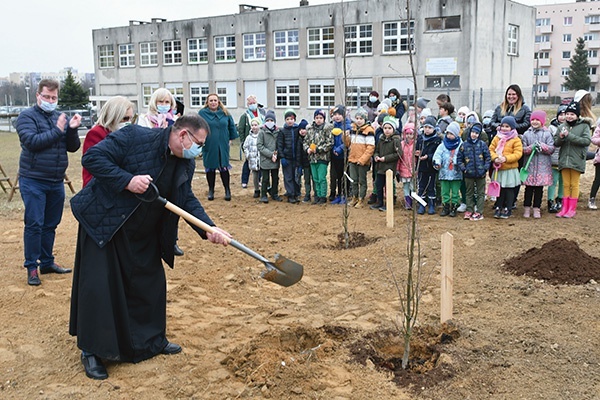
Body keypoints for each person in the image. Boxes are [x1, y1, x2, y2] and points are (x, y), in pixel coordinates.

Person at [69, 115, 231, 380]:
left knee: (148, 284)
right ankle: (93, 351)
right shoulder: (134, 136)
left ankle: (151, 341)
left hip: (144, 231)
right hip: (106, 223)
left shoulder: (185, 163)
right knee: (101, 289)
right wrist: (127, 180)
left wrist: (208, 228)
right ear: (183, 136)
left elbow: (185, 199)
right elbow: (92, 159)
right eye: (198, 143)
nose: (198, 150)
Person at [15, 79, 81, 286]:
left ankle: (47, 262)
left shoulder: (59, 117)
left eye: (54, 97)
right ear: (38, 95)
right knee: (34, 223)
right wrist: (57, 131)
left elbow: (72, 147)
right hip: (33, 179)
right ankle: (31, 267)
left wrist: (71, 130)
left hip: (55, 181)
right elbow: (32, 142)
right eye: (47, 97)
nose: (51, 101)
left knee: (51, 224)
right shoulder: (26, 117)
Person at [136, 89, 184, 256]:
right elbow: (141, 142)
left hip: (171, 168)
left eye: (167, 102)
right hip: (151, 169)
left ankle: (172, 241)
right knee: (151, 205)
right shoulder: (144, 119)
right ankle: (150, 241)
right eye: (160, 102)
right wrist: (159, 132)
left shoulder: (176, 121)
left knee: (173, 206)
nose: (163, 106)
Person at [489, 84, 531, 209]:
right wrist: (499, 126)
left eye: (513, 94)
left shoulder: (524, 109)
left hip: (515, 142)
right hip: (500, 143)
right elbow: (492, 121)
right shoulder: (500, 108)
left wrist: (511, 128)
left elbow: (526, 123)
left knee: (513, 174)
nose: (511, 96)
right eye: (509, 94)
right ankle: (499, 200)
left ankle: (511, 201)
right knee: (498, 173)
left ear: (518, 96)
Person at [82, 96, 134, 188]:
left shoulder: (126, 134)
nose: (128, 122)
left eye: (131, 119)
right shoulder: (96, 133)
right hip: (99, 187)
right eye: (125, 118)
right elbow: (94, 165)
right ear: (114, 116)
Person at [554, 101, 592, 218]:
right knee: (565, 184)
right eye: (568, 114)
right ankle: (564, 208)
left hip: (576, 160)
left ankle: (572, 208)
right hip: (564, 160)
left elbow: (586, 141)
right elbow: (556, 143)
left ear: (577, 115)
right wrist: (561, 138)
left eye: (572, 114)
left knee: (574, 184)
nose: (569, 116)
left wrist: (569, 136)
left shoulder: (584, 126)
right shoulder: (561, 126)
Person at [198, 94, 239, 201]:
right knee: (210, 168)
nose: (213, 102)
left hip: (223, 144)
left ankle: (227, 190)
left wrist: (230, 139)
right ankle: (211, 190)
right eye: (211, 100)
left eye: (215, 100)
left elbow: (231, 126)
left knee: (224, 167)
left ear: (218, 101)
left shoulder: (225, 113)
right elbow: (198, 127)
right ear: (207, 102)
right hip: (209, 144)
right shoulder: (202, 113)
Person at [520, 110, 555, 219]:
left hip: (542, 168)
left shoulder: (547, 134)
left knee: (539, 190)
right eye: (533, 120)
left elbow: (551, 148)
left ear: (542, 121)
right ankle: (526, 208)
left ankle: (536, 208)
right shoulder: (527, 134)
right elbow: (523, 149)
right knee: (528, 189)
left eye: (537, 120)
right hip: (529, 167)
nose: (535, 122)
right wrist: (531, 148)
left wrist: (543, 147)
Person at [489, 116, 523, 219]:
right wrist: (495, 158)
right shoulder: (497, 137)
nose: (504, 128)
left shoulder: (516, 139)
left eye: (507, 126)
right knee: (499, 189)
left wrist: (506, 158)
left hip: (509, 169)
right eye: (502, 126)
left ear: (512, 128)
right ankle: (498, 206)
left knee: (509, 189)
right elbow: (491, 149)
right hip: (499, 169)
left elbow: (518, 153)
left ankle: (508, 207)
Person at [457, 122, 491, 221]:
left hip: (481, 173)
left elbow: (488, 157)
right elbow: (459, 159)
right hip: (468, 174)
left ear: (479, 134)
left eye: (476, 133)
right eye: (472, 132)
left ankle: (479, 211)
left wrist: (485, 168)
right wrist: (464, 169)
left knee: (480, 193)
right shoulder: (464, 145)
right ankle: (469, 210)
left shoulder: (482, 145)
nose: (474, 134)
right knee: (469, 192)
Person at [344, 108, 375, 208]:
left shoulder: (369, 131)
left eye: (361, 118)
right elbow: (348, 144)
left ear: (365, 119)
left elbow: (370, 148)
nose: (358, 120)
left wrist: (363, 160)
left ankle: (361, 199)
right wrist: (345, 137)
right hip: (352, 159)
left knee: (362, 181)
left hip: (362, 161)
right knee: (353, 180)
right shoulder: (353, 129)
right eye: (357, 118)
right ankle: (355, 197)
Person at [371, 116, 402, 211]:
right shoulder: (381, 139)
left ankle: (389, 204)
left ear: (393, 129)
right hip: (380, 167)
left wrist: (385, 158)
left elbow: (398, 154)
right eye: (385, 128)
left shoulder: (396, 140)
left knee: (388, 187)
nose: (387, 130)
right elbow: (376, 150)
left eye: (389, 128)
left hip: (389, 167)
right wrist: (376, 156)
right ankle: (380, 202)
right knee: (378, 185)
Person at [433, 122, 463, 217]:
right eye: (448, 133)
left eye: (452, 134)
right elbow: (437, 154)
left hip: (456, 173)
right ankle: (445, 206)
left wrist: (455, 160)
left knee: (455, 191)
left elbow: (462, 156)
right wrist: (437, 162)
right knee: (444, 191)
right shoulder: (443, 145)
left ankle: (454, 206)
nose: (449, 136)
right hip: (444, 172)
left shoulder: (460, 145)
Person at [304, 109, 333, 204]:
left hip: (322, 158)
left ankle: (322, 196)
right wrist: (307, 148)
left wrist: (318, 149)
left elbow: (329, 143)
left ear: (324, 119)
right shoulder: (310, 129)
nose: (318, 120)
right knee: (315, 178)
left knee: (321, 178)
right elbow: (305, 141)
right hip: (312, 158)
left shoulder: (327, 129)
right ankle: (317, 195)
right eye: (317, 118)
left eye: (320, 118)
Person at [238, 95, 266, 188]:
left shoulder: (262, 113)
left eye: (253, 103)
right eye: (250, 103)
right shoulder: (244, 116)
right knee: (248, 162)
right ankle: (244, 181)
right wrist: (243, 142)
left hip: (261, 140)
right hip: (250, 141)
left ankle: (259, 180)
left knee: (260, 161)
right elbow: (241, 130)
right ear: (247, 104)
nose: (252, 104)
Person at [415, 115, 441, 215]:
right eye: (425, 127)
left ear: (434, 128)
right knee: (421, 186)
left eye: (429, 127)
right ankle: (421, 204)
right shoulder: (420, 138)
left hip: (431, 167)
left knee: (431, 186)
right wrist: (417, 154)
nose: (427, 129)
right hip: (421, 167)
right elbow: (417, 149)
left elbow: (437, 153)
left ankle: (431, 205)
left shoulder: (437, 140)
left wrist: (428, 157)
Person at [257, 110, 282, 203]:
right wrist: (271, 154)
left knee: (275, 177)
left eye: (272, 120)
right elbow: (260, 146)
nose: (270, 122)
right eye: (268, 120)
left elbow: (280, 144)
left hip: (275, 159)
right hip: (265, 159)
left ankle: (274, 193)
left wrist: (276, 154)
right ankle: (263, 194)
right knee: (265, 178)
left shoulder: (278, 131)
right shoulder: (262, 132)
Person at [278, 109, 301, 203]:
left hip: (296, 159)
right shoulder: (282, 131)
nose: (289, 121)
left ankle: (296, 193)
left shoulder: (297, 130)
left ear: (294, 119)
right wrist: (282, 156)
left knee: (296, 177)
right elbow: (280, 145)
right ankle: (290, 194)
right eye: (287, 119)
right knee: (288, 177)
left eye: (291, 119)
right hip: (287, 158)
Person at [329, 105, 351, 204]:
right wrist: (333, 148)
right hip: (334, 156)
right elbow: (330, 139)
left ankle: (344, 195)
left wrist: (339, 149)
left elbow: (348, 141)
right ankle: (338, 195)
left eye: (339, 114)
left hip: (344, 156)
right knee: (336, 176)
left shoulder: (347, 126)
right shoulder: (332, 126)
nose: (337, 117)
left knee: (344, 176)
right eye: (335, 114)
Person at [548, 105, 567, 213]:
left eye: (565, 114)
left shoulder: (570, 127)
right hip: (554, 157)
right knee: (553, 181)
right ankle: (550, 201)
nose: (563, 117)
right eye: (561, 114)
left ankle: (560, 199)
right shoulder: (552, 128)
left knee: (562, 181)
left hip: (565, 158)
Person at [397, 122, 416, 210]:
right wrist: (398, 169)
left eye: (411, 134)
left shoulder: (416, 145)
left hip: (413, 170)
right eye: (407, 134)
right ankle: (407, 202)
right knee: (406, 186)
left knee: (413, 186)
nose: (409, 136)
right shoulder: (402, 144)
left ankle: (413, 202)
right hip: (404, 169)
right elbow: (399, 158)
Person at [295, 119, 313, 203]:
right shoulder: (298, 140)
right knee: (307, 180)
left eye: (304, 129)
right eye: (301, 129)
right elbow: (298, 154)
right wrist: (299, 164)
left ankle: (317, 194)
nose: (302, 131)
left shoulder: (310, 139)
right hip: (304, 164)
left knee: (315, 179)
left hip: (312, 162)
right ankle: (307, 194)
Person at [243, 117, 262, 198]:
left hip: (261, 159)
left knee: (263, 175)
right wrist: (247, 155)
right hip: (252, 159)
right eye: (252, 125)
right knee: (254, 175)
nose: (254, 127)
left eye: (256, 125)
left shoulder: (262, 135)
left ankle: (265, 189)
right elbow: (245, 147)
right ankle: (256, 189)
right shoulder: (248, 137)